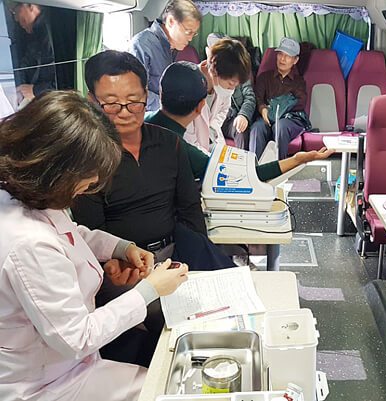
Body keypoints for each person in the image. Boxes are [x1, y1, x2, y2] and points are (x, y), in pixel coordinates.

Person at [0, 90, 188, 401]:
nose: (93, 182)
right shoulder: (27, 243)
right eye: (89, 176)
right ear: (55, 168)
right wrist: (150, 290)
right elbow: (77, 338)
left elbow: (71, 233)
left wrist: (121, 248)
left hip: (68, 364)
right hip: (42, 385)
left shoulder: (28, 196)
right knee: (161, 389)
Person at [71, 50, 234, 365]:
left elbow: (189, 210)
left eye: (134, 101)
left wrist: (198, 260)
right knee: (171, 333)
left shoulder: (169, 143)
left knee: (223, 311)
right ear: (91, 101)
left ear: (147, 95)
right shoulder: (87, 162)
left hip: (174, 254)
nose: (124, 112)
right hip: (124, 269)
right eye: (111, 103)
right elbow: (92, 234)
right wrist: (116, 270)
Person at [145, 61, 333, 184]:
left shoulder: (142, 124)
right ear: (201, 107)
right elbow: (250, 175)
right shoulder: (182, 150)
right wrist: (299, 159)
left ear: (158, 93)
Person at [129, 0, 201, 111]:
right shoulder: (142, 44)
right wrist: (169, 107)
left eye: (194, 33)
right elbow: (135, 92)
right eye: (188, 32)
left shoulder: (171, 48)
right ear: (171, 21)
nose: (190, 38)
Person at [184, 35, 249, 152]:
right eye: (231, 83)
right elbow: (188, 141)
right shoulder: (187, 89)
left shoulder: (222, 87)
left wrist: (212, 128)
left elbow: (224, 109)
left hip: (213, 142)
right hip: (191, 150)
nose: (232, 89)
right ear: (214, 71)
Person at [249, 37, 310, 160]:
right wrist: (262, 108)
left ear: (295, 60)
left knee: (280, 126)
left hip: (290, 119)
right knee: (257, 128)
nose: (282, 59)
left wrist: (280, 108)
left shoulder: (298, 81)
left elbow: (301, 102)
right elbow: (258, 97)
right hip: (267, 118)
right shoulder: (264, 77)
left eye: (287, 56)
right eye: (280, 54)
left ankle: (280, 166)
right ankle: (254, 166)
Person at [7, 2, 56, 107]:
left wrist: (35, 90)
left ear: (31, 5)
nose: (15, 19)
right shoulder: (32, 33)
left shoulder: (51, 33)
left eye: (15, 11)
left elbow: (61, 77)